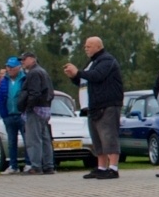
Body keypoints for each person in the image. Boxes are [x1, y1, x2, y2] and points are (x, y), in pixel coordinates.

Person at [65, 37, 123, 180]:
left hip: (107, 104)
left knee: (109, 136)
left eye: (89, 46)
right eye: (85, 46)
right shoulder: (92, 63)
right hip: (92, 105)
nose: (86, 49)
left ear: (98, 47)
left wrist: (78, 72)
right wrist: (74, 76)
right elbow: (84, 80)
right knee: (97, 139)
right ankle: (101, 167)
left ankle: (113, 168)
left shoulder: (107, 60)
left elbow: (97, 76)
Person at [19, 52, 55, 175]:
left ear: (33, 59)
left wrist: (28, 107)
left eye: (24, 59)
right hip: (45, 108)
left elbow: (34, 93)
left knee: (33, 139)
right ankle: (49, 165)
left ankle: (36, 166)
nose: (22, 62)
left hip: (35, 109)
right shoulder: (43, 71)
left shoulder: (33, 73)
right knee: (45, 138)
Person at [0, 56, 27, 173]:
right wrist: (4, 115)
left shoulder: (24, 79)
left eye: (12, 67)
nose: (9, 69)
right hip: (9, 116)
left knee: (27, 140)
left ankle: (28, 163)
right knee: (11, 142)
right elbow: (0, 98)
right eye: (8, 67)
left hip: (22, 115)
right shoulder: (4, 81)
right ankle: (13, 165)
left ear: (18, 68)